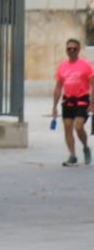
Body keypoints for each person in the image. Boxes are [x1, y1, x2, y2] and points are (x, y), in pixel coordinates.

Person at [51, 38, 91, 167]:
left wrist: (93, 102)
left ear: (79, 50)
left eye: (74, 49)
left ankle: (85, 147)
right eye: (69, 49)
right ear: (66, 50)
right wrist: (54, 106)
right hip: (68, 99)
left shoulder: (85, 65)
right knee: (68, 127)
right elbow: (58, 87)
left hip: (82, 98)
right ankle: (72, 156)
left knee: (78, 127)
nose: (71, 51)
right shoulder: (62, 67)